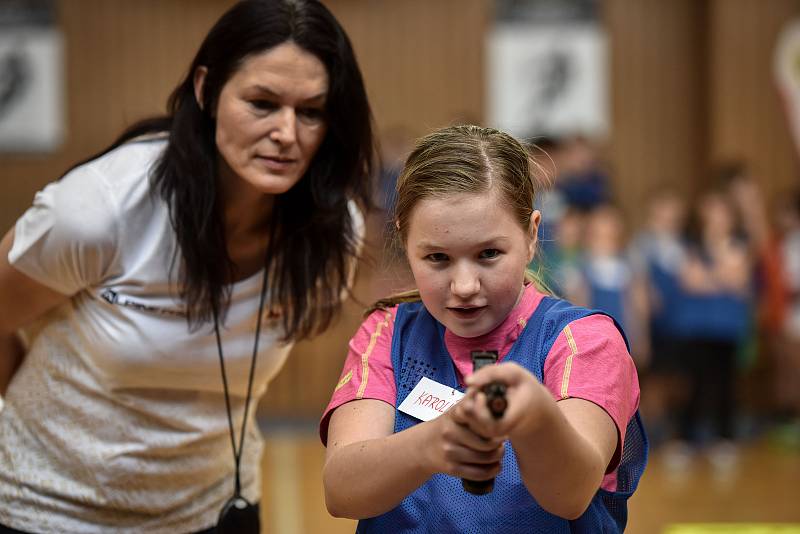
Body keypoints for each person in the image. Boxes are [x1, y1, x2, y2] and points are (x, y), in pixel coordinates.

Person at [0, 1, 374, 532]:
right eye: (262, 103)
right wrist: (41, 435)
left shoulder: (332, 234)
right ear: (206, 90)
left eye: (311, 111)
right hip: (49, 509)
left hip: (213, 508)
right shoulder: (100, 209)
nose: (288, 133)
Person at [321, 125, 646, 533]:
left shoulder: (584, 341)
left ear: (530, 235)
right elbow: (341, 490)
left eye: (489, 254)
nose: (464, 287)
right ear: (406, 242)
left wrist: (537, 420)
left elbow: (570, 494)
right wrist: (432, 443)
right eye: (437, 258)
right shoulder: (386, 332)